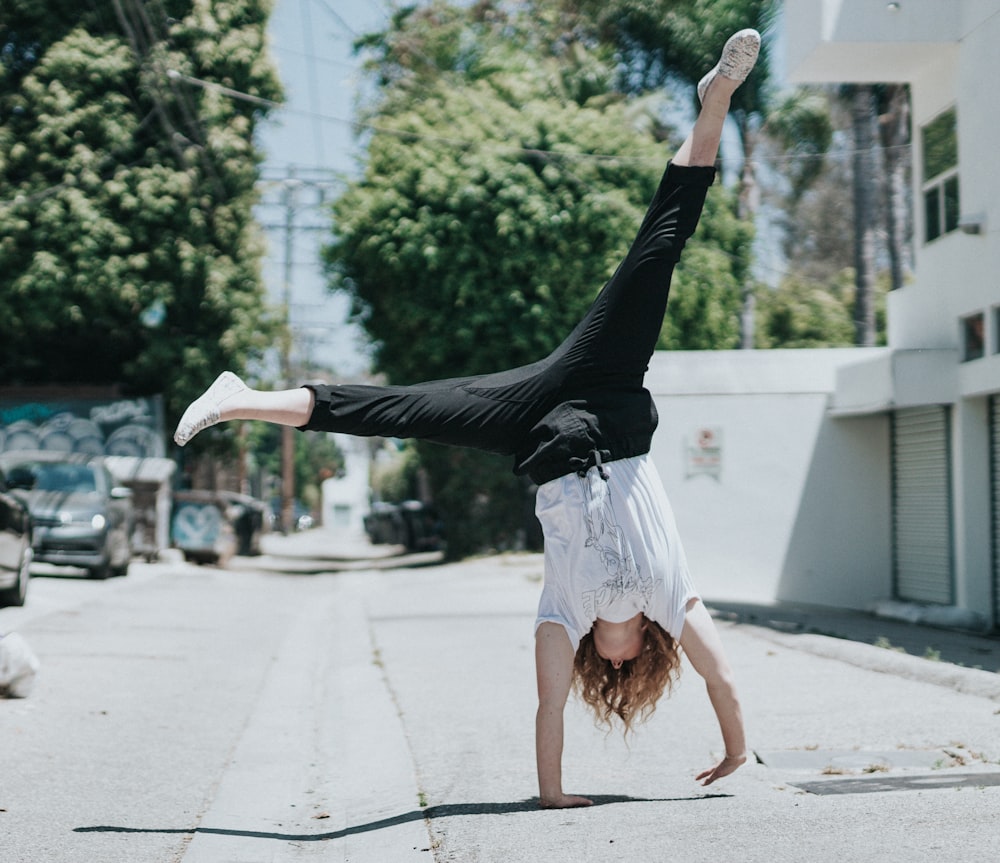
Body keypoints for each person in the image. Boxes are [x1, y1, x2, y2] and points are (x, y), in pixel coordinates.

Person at [175, 29, 760, 810]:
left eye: (610, 671)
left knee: (398, 411)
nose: (617, 667)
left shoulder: (564, 617)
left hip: (535, 432)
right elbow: (721, 677)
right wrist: (737, 749)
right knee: (658, 249)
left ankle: (241, 396)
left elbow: (550, 707)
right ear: (648, 650)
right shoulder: (674, 600)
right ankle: (714, 101)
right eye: (630, 666)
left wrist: (552, 796)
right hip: (604, 394)